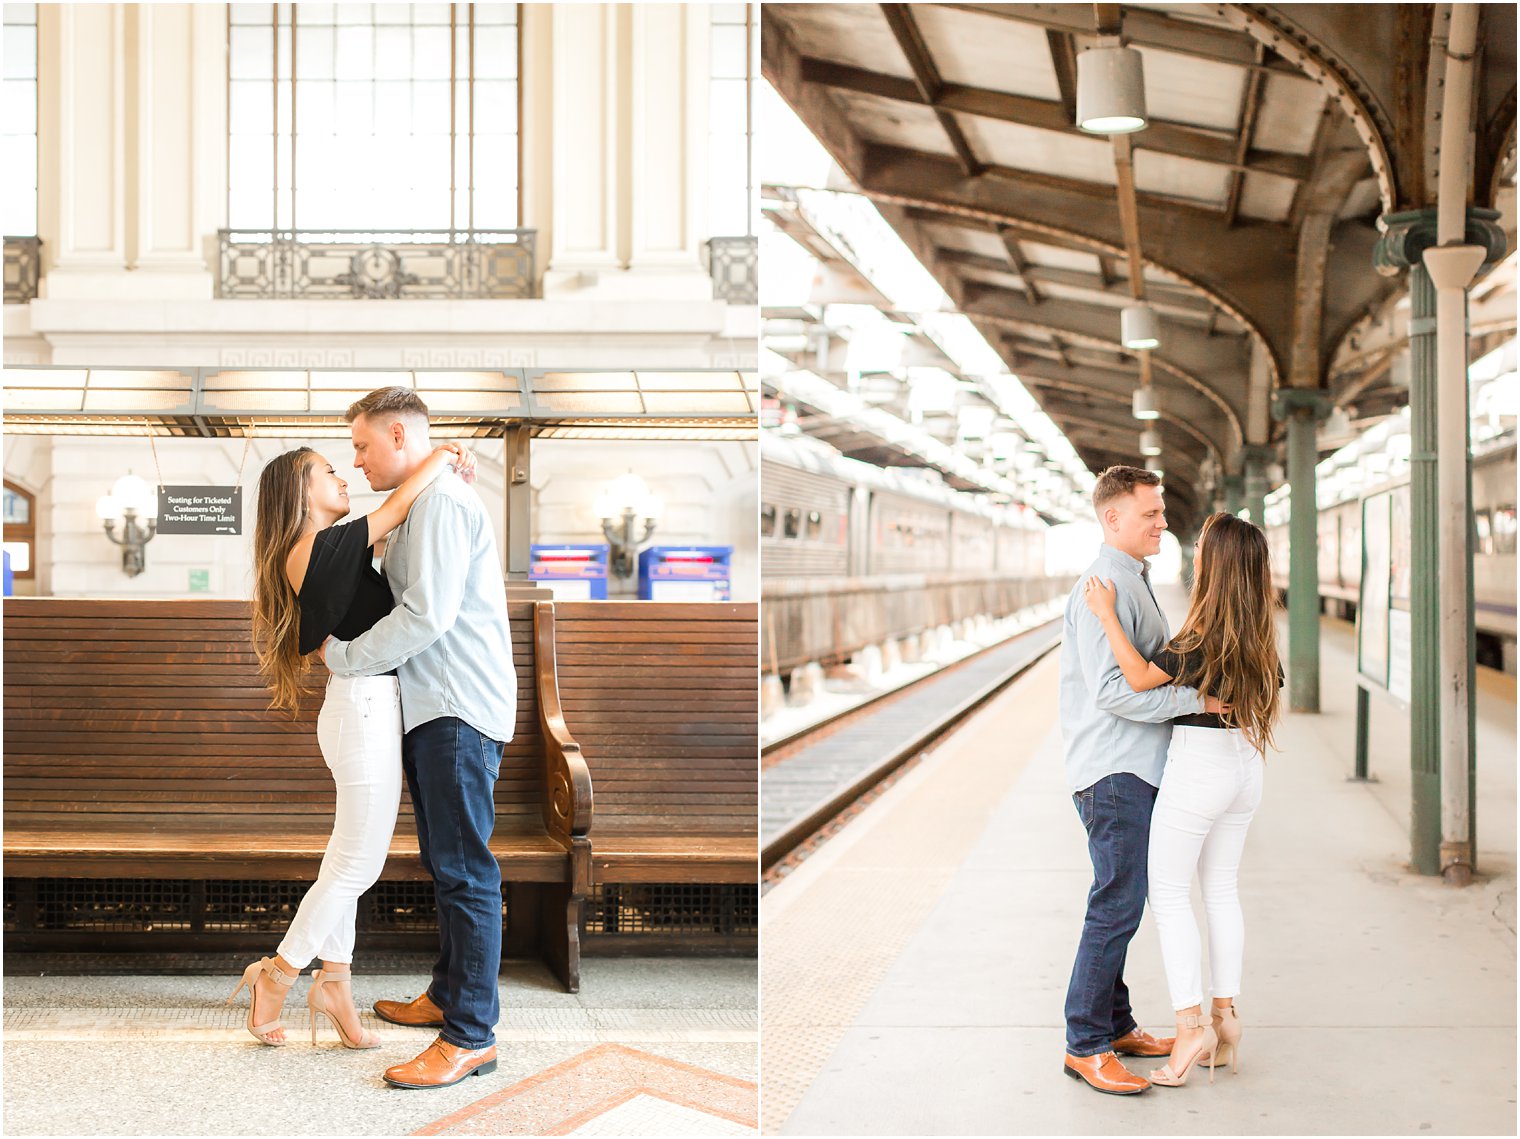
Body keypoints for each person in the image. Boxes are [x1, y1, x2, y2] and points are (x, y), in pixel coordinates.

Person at [238, 437, 476, 1049]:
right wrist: (443, 455)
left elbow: (396, 528)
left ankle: (336, 981)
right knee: (356, 865)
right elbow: (396, 507)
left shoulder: (328, 549)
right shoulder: (311, 546)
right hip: (362, 710)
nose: (344, 476)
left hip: (367, 709)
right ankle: (278, 973)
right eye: (327, 471)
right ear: (299, 492)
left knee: (347, 861)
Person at [322, 386, 517, 1091]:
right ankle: (448, 993)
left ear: (399, 435)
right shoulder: (426, 494)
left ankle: (470, 1035)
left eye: (363, 445)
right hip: (440, 705)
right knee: (447, 860)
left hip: (457, 706)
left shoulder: (438, 501)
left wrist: (340, 658)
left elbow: (426, 613)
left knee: (465, 869)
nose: (358, 458)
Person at [1082, 510, 1283, 1088]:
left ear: (1211, 567)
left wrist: (1106, 616)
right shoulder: (1259, 636)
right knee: (1220, 889)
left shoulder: (1200, 638)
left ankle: (1190, 1026)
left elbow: (1139, 679)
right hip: (1247, 768)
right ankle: (1228, 1019)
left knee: (1169, 895)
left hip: (1200, 769)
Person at [1058, 465, 1228, 1096]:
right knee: (1116, 905)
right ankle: (1085, 1044)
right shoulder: (1102, 586)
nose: (1163, 522)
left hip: (1131, 767)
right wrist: (1196, 705)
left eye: (1161, 511)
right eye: (1151, 514)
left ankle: (1117, 1024)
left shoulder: (1132, 579)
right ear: (1113, 518)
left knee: (1124, 902)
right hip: (1114, 770)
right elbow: (1111, 692)